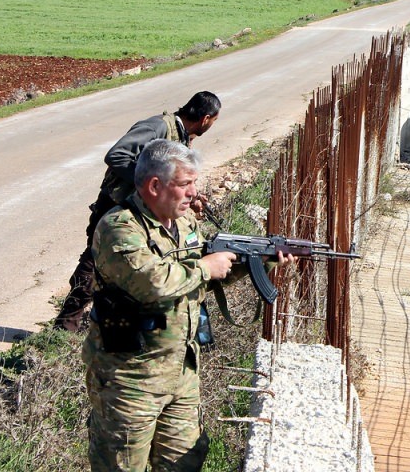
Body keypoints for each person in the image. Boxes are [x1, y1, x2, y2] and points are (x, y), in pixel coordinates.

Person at [82, 139, 295, 471]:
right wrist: (204, 267)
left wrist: (259, 261)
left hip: (181, 371)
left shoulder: (184, 224)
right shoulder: (119, 227)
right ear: (155, 185)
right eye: (186, 184)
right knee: (121, 465)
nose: (194, 192)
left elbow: (203, 277)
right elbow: (152, 282)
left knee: (184, 462)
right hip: (129, 379)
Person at [55, 91, 222, 332]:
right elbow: (116, 155)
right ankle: (65, 325)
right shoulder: (157, 127)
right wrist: (150, 183)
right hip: (114, 206)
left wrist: (187, 195)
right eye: (215, 121)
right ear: (206, 119)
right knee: (94, 263)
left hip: (139, 209)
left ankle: (104, 321)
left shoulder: (181, 136)